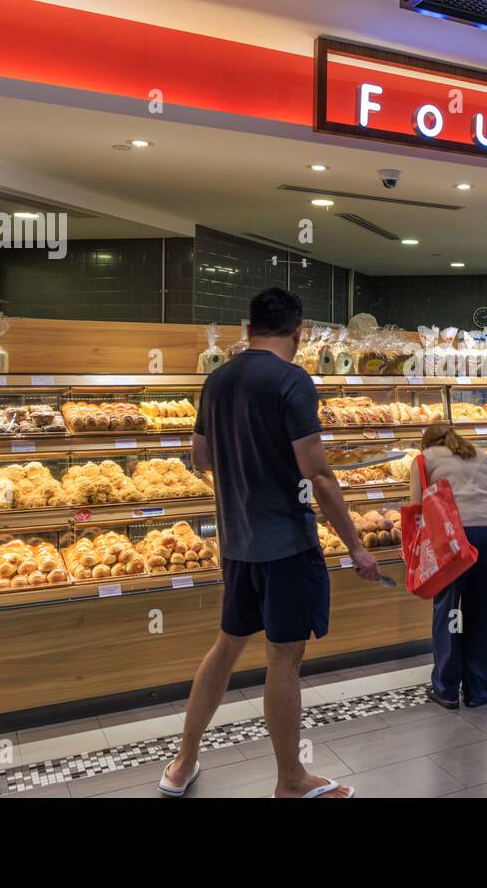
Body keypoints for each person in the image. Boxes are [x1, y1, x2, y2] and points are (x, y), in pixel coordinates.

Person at [159, 288, 380, 798]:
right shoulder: (292, 380)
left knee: (227, 646)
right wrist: (356, 546)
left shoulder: (218, 378)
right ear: (298, 333)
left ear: (247, 326)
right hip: (284, 543)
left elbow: (200, 458)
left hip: (236, 542)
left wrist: (247, 458)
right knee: (284, 657)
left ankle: (182, 763)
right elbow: (319, 474)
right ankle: (290, 779)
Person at [411, 424, 487, 709]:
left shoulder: (423, 459)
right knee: (481, 612)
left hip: (456, 536)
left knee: (448, 610)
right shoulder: (483, 456)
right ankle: (478, 692)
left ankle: (446, 690)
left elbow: (417, 507)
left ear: (426, 444)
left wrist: (418, 556)